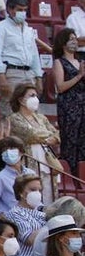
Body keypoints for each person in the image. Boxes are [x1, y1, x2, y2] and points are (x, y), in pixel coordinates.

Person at [2, 84, 59, 198]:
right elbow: (31, 134)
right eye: (32, 95)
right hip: (29, 161)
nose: (35, 99)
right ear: (20, 100)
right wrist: (49, 137)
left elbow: (57, 134)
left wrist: (53, 137)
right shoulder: (13, 118)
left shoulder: (41, 118)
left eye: (36, 96)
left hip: (47, 160)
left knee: (49, 196)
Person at [53, 29, 85, 172]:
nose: (74, 42)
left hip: (83, 105)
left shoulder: (81, 62)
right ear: (63, 43)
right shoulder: (59, 62)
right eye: (71, 39)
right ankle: (70, 173)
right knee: (70, 142)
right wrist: (79, 76)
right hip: (69, 106)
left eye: (75, 39)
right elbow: (60, 87)